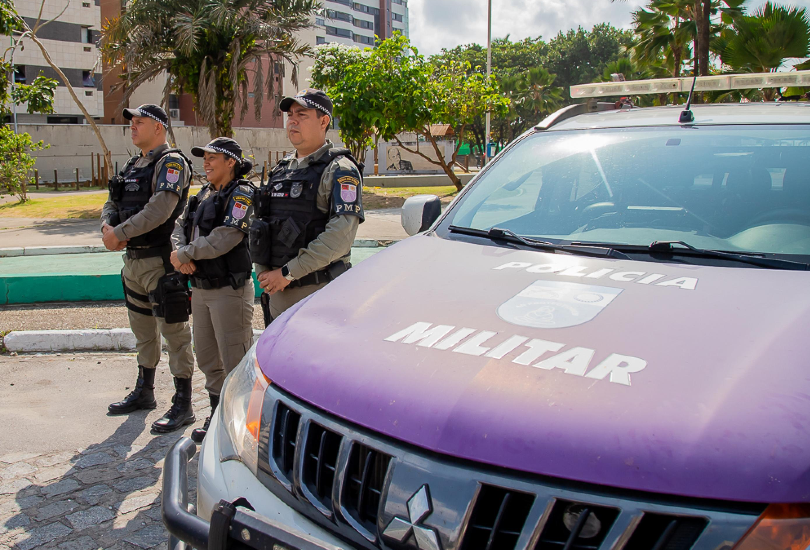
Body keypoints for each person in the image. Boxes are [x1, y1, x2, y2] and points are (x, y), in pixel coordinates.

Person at [101, 104, 196, 434]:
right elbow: (112, 200)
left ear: (159, 127)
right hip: (133, 262)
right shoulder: (132, 164)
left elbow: (160, 209)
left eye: (140, 122)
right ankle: (145, 391)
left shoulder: (172, 163)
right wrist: (106, 228)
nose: (133, 127)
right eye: (132, 122)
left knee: (175, 334)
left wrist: (119, 233)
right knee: (143, 331)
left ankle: (184, 403)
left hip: (160, 261)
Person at [250, 89, 364, 324]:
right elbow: (263, 224)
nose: (292, 120)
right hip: (277, 293)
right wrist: (264, 271)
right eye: (290, 115)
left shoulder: (340, 169)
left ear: (324, 121)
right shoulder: (281, 170)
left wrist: (286, 273)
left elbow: (339, 238)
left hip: (316, 295)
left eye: (301, 114)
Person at [170, 137, 255, 443]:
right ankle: (218, 412)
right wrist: (180, 255)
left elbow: (227, 236)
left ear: (230, 161)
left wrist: (186, 254)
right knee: (207, 356)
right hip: (201, 289)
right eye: (203, 157)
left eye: (212, 158)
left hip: (228, 290)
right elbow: (179, 226)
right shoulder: (202, 193)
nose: (205, 163)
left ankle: (241, 421)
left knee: (234, 357)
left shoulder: (242, 193)